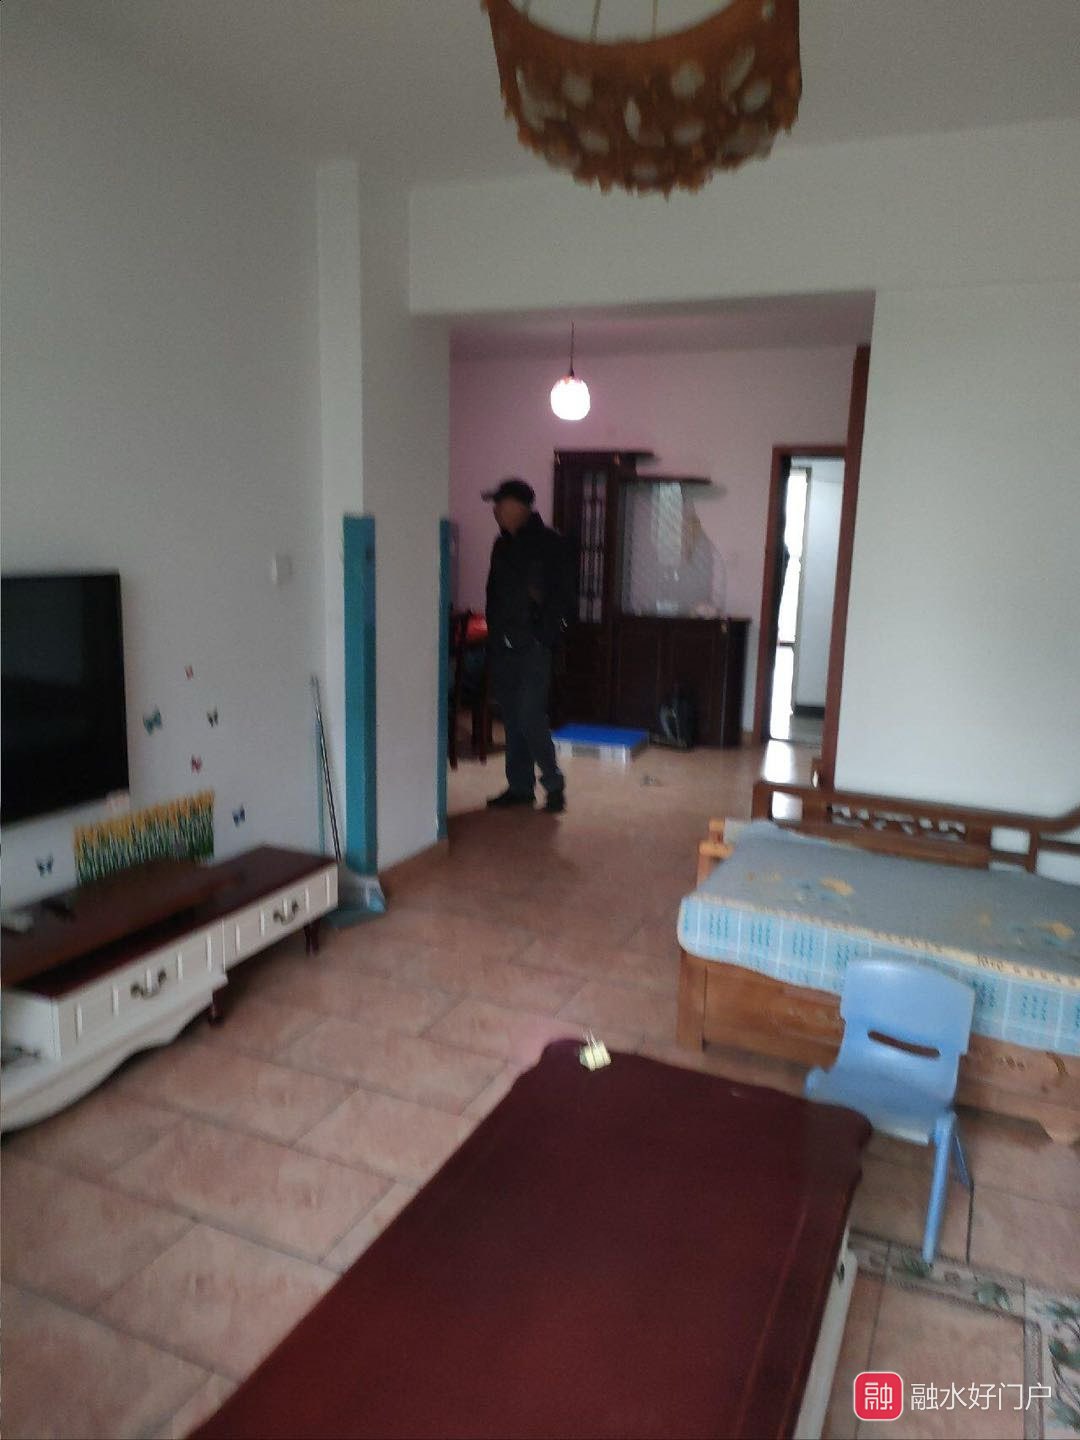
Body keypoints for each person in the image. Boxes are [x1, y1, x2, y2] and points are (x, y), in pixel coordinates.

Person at [481, 477, 574, 813]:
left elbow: (563, 598)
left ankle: (554, 784)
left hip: (534, 647)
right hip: (504, 646)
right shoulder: (501, 545)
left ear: (517, 506)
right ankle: (520, 787)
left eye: (499, 504)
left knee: (530, 715)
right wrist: (495, 634)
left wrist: (544, 636)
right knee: (511, 717)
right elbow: (493, 594)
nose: (495, 511)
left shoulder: (550, 544)